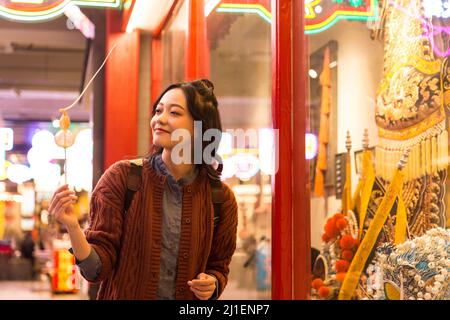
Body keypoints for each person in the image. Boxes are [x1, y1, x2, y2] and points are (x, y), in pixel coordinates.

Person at [49, 79, 238, 300]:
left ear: (200, 127)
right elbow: (95, 270)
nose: (160, 119)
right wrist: (73, 227)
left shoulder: (221, 199)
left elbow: (219, 266)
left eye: (174, 113)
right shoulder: (121, 177)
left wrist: (212, 283)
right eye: (158, 111)